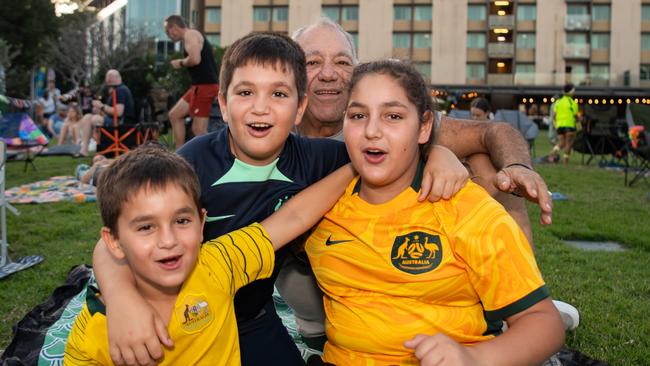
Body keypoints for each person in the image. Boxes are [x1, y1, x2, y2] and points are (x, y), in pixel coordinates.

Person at [92, 32, 468, 366]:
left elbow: (383, 151)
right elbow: (109, 243)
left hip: (251, 316)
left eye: (278, 93)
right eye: (245, 92)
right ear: (223, 104)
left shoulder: (315, 158)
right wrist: (124, 301)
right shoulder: (193, 162)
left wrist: (436, 153)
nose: (261, 107)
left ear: (299, 107)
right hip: (178, 316)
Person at [276, 18, 554, 351]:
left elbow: (492, 132)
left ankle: (518, 300)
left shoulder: (388, 108)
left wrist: (512, 165)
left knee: (490, 169)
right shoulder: (275, 131)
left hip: (404, 260)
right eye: (313, 61)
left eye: (342, 62)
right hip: (317, 275)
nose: (329, 73)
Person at [64, 144, 356, 364]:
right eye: (146, 227)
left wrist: (359, 163)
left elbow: (294, 216)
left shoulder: (218, 264)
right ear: (114, 241)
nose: (168, 240)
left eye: (181, 221)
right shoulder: (94, 333)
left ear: (202, 224)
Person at [164, 15, 219, 150]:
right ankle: (179, 153)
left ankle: (216, 161)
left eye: (167, 32)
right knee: (175, 115)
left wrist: (180, 62)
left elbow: (195, 59)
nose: (168, 36)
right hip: (197, 87)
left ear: (175, 28)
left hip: (205, 87)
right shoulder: (190, 37)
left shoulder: (191, 34)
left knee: (199, 130)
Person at [77, 69, 135, 156]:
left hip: (122, 123)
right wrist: (100, 110)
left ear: (115, 78)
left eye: (109, 77)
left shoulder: (121, 90)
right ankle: (83, 150)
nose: (107, 80)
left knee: (94, 119)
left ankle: (97, 147)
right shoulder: (115, 90)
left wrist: (102, 106)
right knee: (87, 117)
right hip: (115, 120)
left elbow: (118, 112)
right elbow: (110, 113)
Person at [552, 83, 579, 164]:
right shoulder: (573, 103)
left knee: (561, 143)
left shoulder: (558, 102)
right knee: (568, 144)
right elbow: (575, 116)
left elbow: (554, 116)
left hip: (559, 126)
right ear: (571, 92)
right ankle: (566, 162)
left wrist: (556, 124)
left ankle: (552, 153)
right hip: (569, 125)